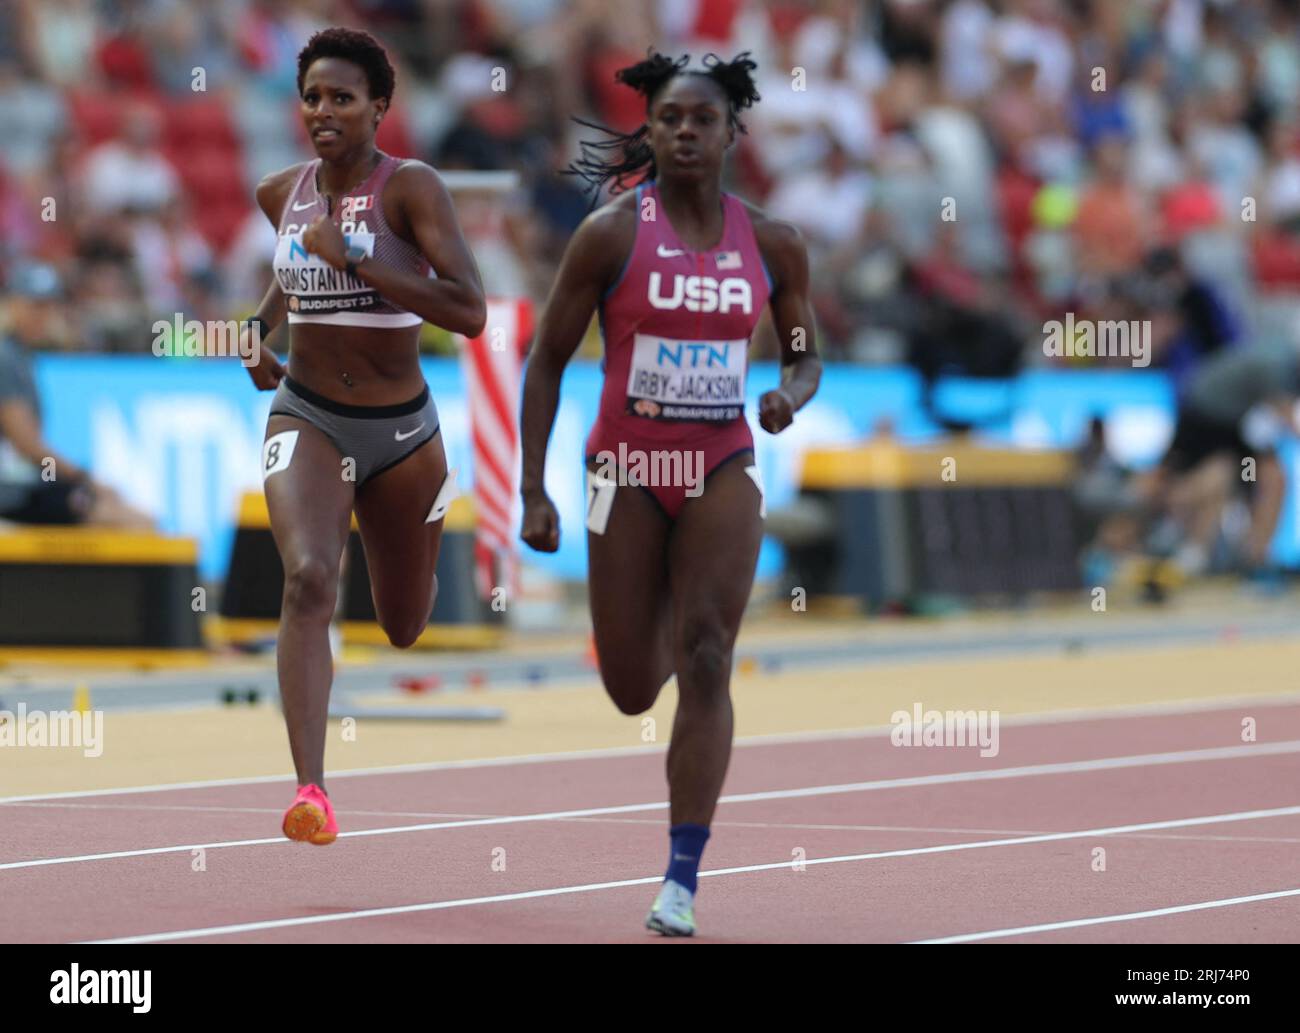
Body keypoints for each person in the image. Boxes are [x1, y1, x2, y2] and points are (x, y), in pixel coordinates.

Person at [519, 51, 822, 935]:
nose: (685, 132)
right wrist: (534, 488)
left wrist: (787, 395)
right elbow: (545, 360)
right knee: (627, 687)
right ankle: (648, 608)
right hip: (626, 470)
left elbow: (806, 351)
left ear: (732, 132)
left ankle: (681, 878)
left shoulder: (772, 240)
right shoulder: (611, 233)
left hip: (721, 461)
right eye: (669, 119)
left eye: (702, 119)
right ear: (648, 132)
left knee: (708, 654)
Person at [241, 28, 485, 844]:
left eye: (342, 98)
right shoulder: (282, 189)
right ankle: (311, 789)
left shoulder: (411, 189)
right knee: (309, 576)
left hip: (404, 434)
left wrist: (362, 260)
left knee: (405, 622)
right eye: (311, 96)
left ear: (380, 107)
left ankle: (418, 535)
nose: (323, 111)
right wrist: (259, 333)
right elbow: (284, 280)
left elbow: (469, 309)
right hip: (307, 413)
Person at [0, 263, 151, 528]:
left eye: (48, 307)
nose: (43, 316)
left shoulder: (21, 356)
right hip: (12, 491)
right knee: (130, 521)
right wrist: (82, 477)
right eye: (35, 306)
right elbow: (26, 445)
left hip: (21, 486)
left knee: (124, 514)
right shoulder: (6, 358)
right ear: (12, 304)